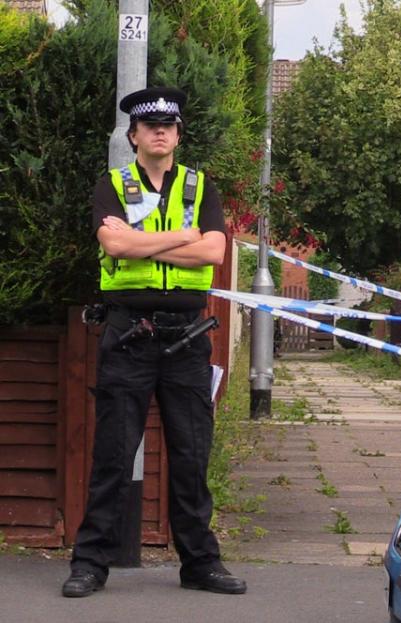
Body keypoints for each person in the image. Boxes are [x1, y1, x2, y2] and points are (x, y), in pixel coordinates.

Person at [62, 87, 245, 597]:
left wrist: (153, 247)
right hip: (129, 334)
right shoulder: (112, 184)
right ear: (134, 135)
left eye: (169, 125)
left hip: (188, 339)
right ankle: (90, 563)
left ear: (179, 136)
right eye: (150, 125)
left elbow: (213, 252)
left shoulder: (200, 186)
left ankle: (200, 564)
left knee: (191, 455)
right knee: (114, 455)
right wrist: (183, 239)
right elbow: (115, 243)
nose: (160, 131)